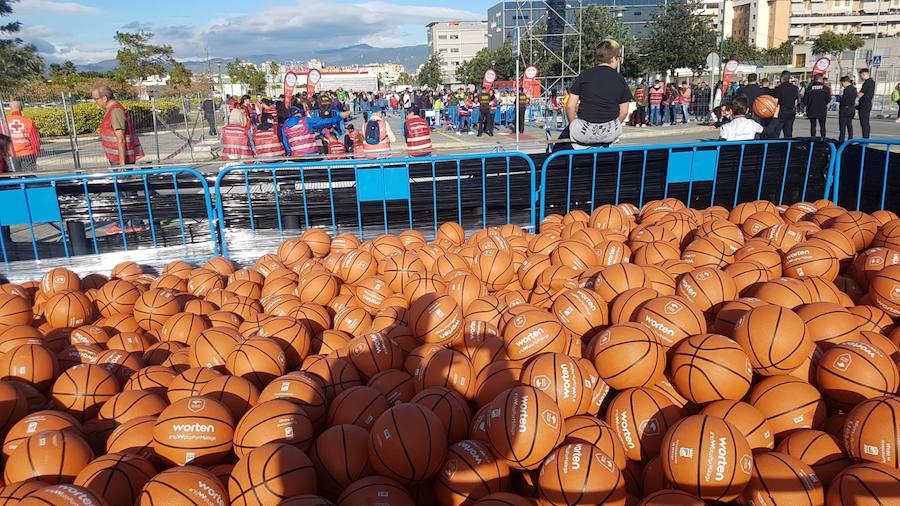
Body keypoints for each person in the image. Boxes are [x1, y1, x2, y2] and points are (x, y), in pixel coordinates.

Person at [560, 39, 632, 148]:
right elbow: (624, 111)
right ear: (613, 59)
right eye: (618, 59)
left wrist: (572, 125)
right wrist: (612, 126)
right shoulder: (620, 79)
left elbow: (570, 106)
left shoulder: (585, 75)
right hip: (609, 132)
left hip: (583, 131)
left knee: (558, 149)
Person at [91, 84, 144, 166]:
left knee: (122, 179)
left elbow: (121, 138)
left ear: (104, 98)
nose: (95, 102)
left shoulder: (115, 111)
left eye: (96, 99)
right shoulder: (112, 110)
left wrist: (122, 164)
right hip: (116, 158)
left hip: (120, 160)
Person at [6, 101, 41, 171]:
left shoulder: (4, 121)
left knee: (13, 178)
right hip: (27, 154)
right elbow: (35, 140)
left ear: (10, 108)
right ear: (21, 108)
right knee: (29, 176)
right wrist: (36, 153)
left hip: (10, 155)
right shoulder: (28, 121)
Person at [773, 71, 799, 139]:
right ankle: (788, 147)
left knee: (776, 131)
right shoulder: (795, 88)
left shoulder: (779, 88)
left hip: (781, 111)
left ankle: (774, 146)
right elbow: (796, 102)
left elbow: (775, 101)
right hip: (791, 111)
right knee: (788, 131)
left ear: (782, 78)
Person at [803, 74, 831, 138]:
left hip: (811, 109)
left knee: (813, 126)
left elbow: (805, 101)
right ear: (821, 79)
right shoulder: (826, 88)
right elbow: (828, 99)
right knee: (823, 126)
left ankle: (813, 140)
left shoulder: (808, 89)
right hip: (822, 110)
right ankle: (823, 139)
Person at [856, 68, 874, 138]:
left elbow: (860, 94)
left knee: (864, 123)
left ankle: (865, 139)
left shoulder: (867, 83)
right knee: (865, 123)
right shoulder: (872, 82)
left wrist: (854, 91)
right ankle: (866, 138)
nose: (860, 78)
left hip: (864, 105)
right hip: (867, 104)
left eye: (860, 76)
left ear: (864, 74)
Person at [838, 76, 857, 143]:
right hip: (852, 108)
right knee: (849, 125)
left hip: (845, 109)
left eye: (842, 83)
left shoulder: (846, 89)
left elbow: (844, 99)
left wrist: (840, 99)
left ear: (845, 82)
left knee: (842, 126)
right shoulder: (854, 89)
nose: (842, 85)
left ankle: (841, 140)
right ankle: (850, 139)